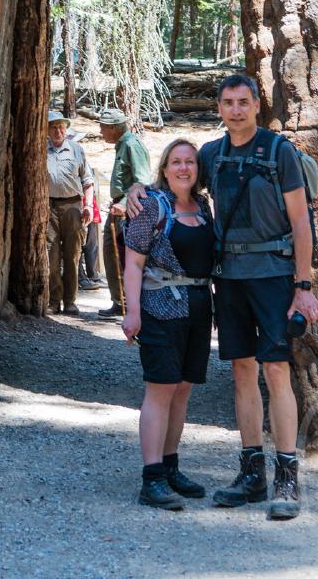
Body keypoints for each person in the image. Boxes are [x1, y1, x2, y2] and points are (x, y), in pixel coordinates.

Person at [127, 74, 318, 519]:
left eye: (243, 102)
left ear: (257, 105)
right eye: (228, 103)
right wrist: (136, 190)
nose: (235, 110)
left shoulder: (280, 152)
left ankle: (287, 476)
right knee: (241, 370)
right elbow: (174, 179)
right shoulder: (212, 155)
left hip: (273, 276)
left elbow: (300, 223)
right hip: (229, 279)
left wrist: (303, 285)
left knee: (275, 369)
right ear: (219, 108)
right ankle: (252, 472)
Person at [122, 139, 215, 510]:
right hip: (160, 308)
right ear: (164, 169)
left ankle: (171, 466)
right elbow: (133, 263)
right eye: (176, 162)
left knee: (182, 391)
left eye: (189, 162)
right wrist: (132, 313)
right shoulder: (150, 207)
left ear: (197, 169)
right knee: (159, 391)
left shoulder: (204, 208)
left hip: (197, 309)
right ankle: (152, 477)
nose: (183, 168)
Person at [96, 108, 152, 320]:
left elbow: (143, 181)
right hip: (118, 208)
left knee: (122, 256)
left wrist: (123, 203)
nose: (101, 132)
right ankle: (119, 301)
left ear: (112, 128)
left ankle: (129, 303)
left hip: (128, 210)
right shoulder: (122, 145)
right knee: (111, 254)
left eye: (103, 128)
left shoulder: (131, 145)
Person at [46, 110, 95, 317]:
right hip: (48, 207)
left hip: (73, 207)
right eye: (53, 127)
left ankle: (71, 301)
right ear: (47, 130)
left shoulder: (76, 150)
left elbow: (88, 180)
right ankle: (54, 301)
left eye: (61, 127)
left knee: (72, 255)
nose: (58, 131)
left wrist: (89, 206)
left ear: (66, 129)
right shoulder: (42, 150)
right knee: (51, 255)